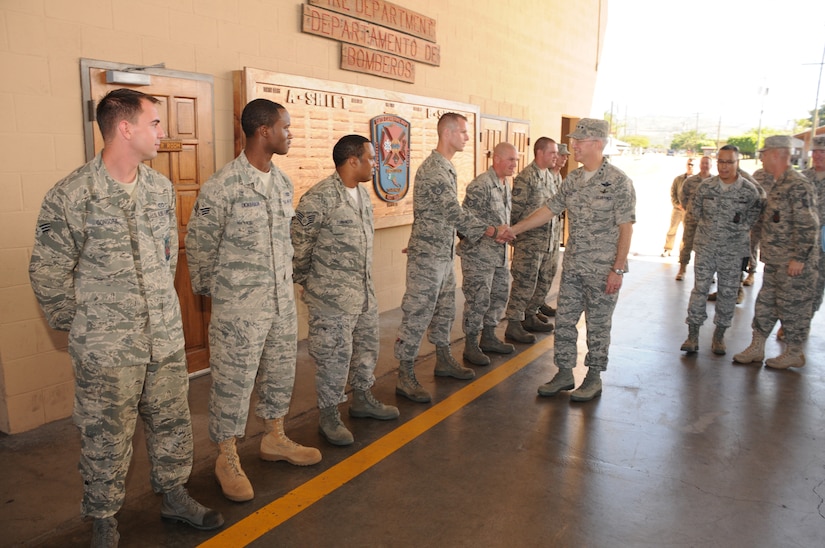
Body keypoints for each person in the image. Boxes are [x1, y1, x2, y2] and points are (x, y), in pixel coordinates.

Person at [28, 89, 224, 546]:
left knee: (173, 420)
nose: (162, 132)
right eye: (155, 123)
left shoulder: (159, 188)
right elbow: (47, 271)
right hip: (107, 347)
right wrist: (83, 326)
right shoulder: (72, 195)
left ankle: (174, 495)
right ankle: (103, 519)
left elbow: (164, 256)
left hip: (164, 339)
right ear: (125, 128)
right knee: (105, 435)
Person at [186, 99, 321, 503]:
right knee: (233, 382)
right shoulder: (223, 185)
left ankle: (274, 438)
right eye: (286, 126)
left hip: (280, 305)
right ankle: (226, 456)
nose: (290, 133)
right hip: (240, 310)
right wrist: (226, 297)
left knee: (280, 372)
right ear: (264, 131)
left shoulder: (281, 183)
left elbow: (285, 242)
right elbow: (200, 248)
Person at [505, 119, 636, 402]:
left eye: (580, 141)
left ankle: (593, 377)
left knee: (598, 325)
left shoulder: (618, 182)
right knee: (564, 321)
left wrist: (617, 269)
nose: (573, 145)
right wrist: (514, 230)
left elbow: (626, 227)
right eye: (574, 140)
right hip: (574, 267)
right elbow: (549, 209)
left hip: (603, 271)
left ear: (598, 144)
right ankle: (564, 373)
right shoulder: (574, 180)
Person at [394, 112, 512, 403]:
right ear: (447, 133)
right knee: (418, 313)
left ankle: (444, 359)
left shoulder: (446, 167)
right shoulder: (434, 169)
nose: (467, 137)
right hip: (429, 258)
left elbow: (442, 216)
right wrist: (490, 229)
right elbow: (453, 212)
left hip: (442, 254)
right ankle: (405, 375)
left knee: (445, 310)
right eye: (463, 132)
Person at [291, 135, 399, 446]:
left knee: (366, 349)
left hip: (363, 293)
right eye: (370, 158)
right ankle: (329, 415)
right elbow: (300, 249)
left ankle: (363, 399)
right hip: (331, 299)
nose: (374, 164)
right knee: (333, 359)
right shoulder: (318, 199)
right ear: (353, 161)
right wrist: (309, 285)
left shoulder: (362, 196)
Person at [733, 135, 820, 369]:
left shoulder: (797, 184)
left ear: (775, 154)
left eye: (764, 153)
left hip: (793, 265)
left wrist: (798, 258)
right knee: (765, 305)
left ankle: (794, 352)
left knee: (793, 308)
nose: (761, 157)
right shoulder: (778, 182)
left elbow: (808, 225)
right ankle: (757, 346)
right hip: (775, 261)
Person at [680, 146, 763, 355]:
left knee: (727, 293)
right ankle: (692, 335)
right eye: (721, 161)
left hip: (733, 251)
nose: (724, 166)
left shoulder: (748, 191)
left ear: (737, 164)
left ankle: (719, 336)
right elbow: (695, 212)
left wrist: (739, 230)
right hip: (706, 248)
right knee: (699, 291)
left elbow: (755, 213)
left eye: (729, 162)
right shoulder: (706, 187)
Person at [459, 142, 519, 365]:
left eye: (516, 159)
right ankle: (471, 345)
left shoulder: (504, 185)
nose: (515, 164)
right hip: (479, 256)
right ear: (497, 159)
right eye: (511, 159)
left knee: (499, 295)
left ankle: (489, 337)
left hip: (499, 255)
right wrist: (494, 232)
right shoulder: (481, 185)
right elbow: (466, 222)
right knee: (478, 300)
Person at [503, 137, 559, 345]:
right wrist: (514, 236)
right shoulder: (527, 177)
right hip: (529, 243)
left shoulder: (550, 176)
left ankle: (530, 314)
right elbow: (514, 211)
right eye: (552, 153)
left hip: (548, 242)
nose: (556, 156)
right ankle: (514, 324)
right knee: (524, 284)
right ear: (540, 153)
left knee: (544, 280)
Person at [538, 142, 571, 318]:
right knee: (534, 276)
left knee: (549, 272)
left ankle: (539, 302)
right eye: (562, 155)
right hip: (539, 234)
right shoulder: (545, 176)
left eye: (566, 155)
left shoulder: (558, 177)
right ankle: (531, 310)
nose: (564, 158)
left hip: (553, 231)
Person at [676, 155, 713, 280]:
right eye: (703, 163)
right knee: (687, 244)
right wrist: (691, 210)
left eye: (707, 163)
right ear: (700, 165)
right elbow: (683, 197)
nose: (705, 166)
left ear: (711, 165)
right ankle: (682, 269)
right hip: (691, 220)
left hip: (709, 222)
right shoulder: (690, 181)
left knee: (708, 248)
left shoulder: (716, 182)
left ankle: (708, 274)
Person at [802, 135, 825, 314]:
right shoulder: (802, 179)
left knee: (818, 281)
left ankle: (806, 318)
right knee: (797, 282)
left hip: (823, 243)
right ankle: (792, 321)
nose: (818, 156)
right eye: (815, 152)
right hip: (803, 242)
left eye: (822, 152)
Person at [662, 159, 694, 257]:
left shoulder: (697, 180)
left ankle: (683, 252)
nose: (690, 166)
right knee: (672, 229)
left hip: (689, 212)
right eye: (689, 164)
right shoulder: (678, 179)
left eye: (692, 164)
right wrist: (677, 204)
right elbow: (673, 193)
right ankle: (668, 249)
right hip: (677, 210)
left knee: (687, 232)